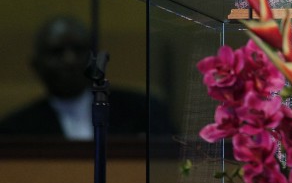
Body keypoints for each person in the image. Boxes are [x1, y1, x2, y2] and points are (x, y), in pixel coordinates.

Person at [0, 15, 173, 139]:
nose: (70, 60)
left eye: (78, 49)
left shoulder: (144, 111)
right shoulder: (15, 130)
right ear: (36, 65)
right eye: (57, 52)